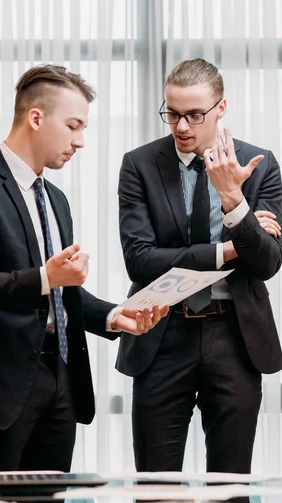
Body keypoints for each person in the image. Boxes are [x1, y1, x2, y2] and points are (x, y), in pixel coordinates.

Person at [0, 64, 168, 473]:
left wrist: (115, 316)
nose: (80, 141)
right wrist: (47, 277)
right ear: (36, 117)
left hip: (61, 380)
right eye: (73, 126)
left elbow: (60, 291)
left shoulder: (57, 199)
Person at [116, 58, 282, 475]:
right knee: (155, 488)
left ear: (220, 109)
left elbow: (266, 262)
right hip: (162, 333)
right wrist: (230, 247)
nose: (181, 126)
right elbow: (139, 258)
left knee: (232, 490)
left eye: (194, 114)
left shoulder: (260, 165)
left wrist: (233, 199)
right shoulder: (139, 164)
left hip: (236, 337)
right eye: (172, 113)